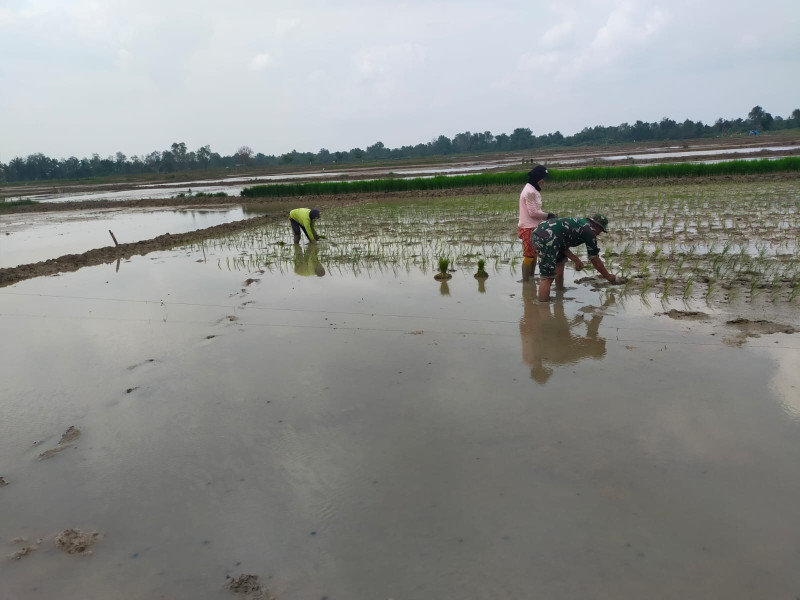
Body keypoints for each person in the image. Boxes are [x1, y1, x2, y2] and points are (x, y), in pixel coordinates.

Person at [532, 213, 621, 302]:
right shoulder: (590, 231)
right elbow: (594, 259)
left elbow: (562, 244)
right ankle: (543, 307)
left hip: (544, 233)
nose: (599, 233)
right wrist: (608, 276)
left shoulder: (581, 223)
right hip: (546, 238)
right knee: (547, 277)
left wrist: (576, 260)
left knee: (560, 262)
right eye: (601, 230)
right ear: (597, 226)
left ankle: (559, 291)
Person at [518, 164, 556, 282]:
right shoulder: (529, 192)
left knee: (533, 254)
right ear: (538, 178)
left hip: (534, 226)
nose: (543, 181)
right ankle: (526, 283)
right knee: (529, 255)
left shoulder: (532, 189)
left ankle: (531, 278)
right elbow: (533, 212)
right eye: (543, 178)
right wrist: (547, 216)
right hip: (528, 228)